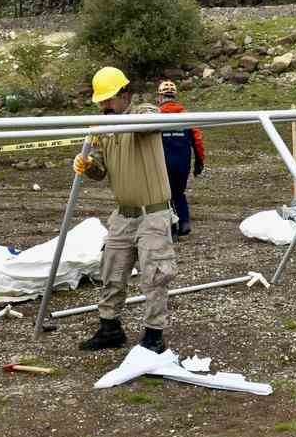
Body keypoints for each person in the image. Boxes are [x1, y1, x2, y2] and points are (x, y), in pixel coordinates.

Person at [76, 66, 176, 353]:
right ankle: (110, 328)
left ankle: (154, 336)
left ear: (125, 94)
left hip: (152, 214)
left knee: (155, 275)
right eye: (101, 101)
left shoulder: (142, 113)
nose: (105, 106)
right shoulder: (104, 128)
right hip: (122, 214)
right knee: (112, 271)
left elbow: (152, 120)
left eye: (109, 99)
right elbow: (99, 171)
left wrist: (119, 123)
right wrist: (88, 165)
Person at [156, 80, 205, 237]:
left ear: (160, 97)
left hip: (164, 162)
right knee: (179, 193)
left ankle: (172, 228)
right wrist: (200, 161)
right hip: (183, 163)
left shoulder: (156, 116)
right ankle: (184, 222)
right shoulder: (186, 115)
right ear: (174, 96)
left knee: (164, 195)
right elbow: (197, 140)